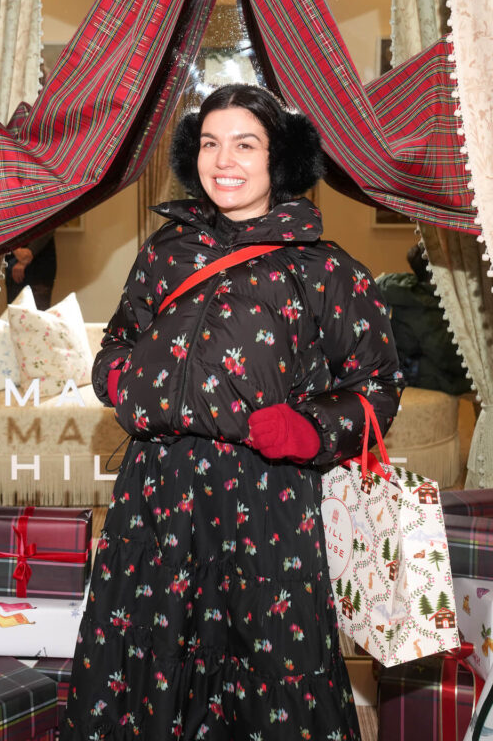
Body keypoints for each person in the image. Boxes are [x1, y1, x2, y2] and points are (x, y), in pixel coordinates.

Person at [60, 84, 403, 740]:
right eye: (210, 143)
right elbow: (118, 343)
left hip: (266, 498)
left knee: (269, 659)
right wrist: (124, 381)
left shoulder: (326, 270)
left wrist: (311, 430)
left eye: (245, 144)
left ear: (280, 159)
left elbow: (378, 386)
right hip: (156, 491)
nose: (224, 160)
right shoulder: (165, 252)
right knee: (149, 653)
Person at [376, 244, 471, 395]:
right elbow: (448, 358)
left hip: (390, 368)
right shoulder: (426, 309)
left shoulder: (398, 287)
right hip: (413, 376)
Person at [5, 230, 57, 310]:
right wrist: (16, 250)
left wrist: (29, 252)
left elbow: (49, 225)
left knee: (39, 310)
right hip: (13, 257)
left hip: (41, 257)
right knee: (16, 309)